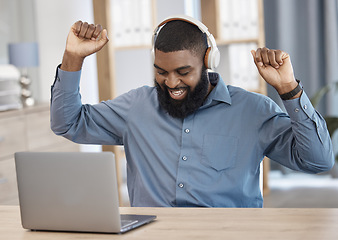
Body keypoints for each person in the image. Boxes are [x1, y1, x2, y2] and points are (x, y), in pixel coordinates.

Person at [51, 16, 334, 208]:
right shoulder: (135, 107)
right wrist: (73, 58)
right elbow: (68, 123)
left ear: (208, 61)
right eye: (161, 72)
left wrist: (288, 88)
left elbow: (318, 162)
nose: (171, 83)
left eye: (183, 72)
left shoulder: (253, 110)